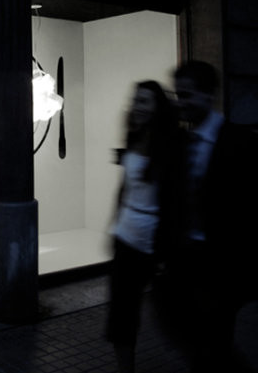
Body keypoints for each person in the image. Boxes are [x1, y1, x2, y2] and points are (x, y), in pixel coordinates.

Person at [165, 59, 258, 372]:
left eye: (187, 95)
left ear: (209, 95)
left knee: (214, 345)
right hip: (187, 264)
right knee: (202, 343)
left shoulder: (245, 144)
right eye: (178, 94)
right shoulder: (179, 144)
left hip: (224, 267)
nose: (180, 102)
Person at [106, 80, 181, 373]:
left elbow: (174, 202)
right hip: (126, 239)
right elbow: (125, 187)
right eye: (136, 100)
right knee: (121, 317)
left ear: (158, 108)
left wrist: (166, 251)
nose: (137, 106)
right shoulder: (134, 137)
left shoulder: (170, 146)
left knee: (174, 317)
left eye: (144, 101)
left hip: (154, 244)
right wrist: (114, 225)